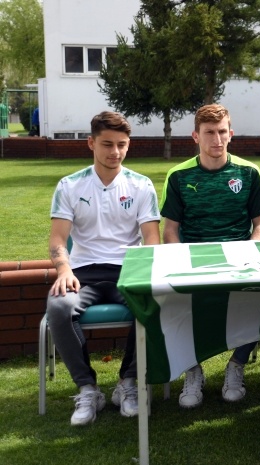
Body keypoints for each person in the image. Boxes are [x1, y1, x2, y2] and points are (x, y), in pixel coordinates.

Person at [46, 111, 161, 425]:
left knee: (155, 302)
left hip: (128, 270)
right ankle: (88, 388)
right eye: (107, 144)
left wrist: (146, 271)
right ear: (91, 143)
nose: (115, 152)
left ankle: (128, 382)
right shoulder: (70, 185)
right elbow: (58, 239)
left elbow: (152, 238)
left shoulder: (141, 184)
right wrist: (64, 270)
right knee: (59, 307)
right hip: (82, 272)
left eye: (122, 145)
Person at [160, 104, 260, 407]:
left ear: (231, 134)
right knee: (172, 304)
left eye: (222, 132)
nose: (217, 139)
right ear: (196, 136)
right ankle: (192, 369)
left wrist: (249, 251)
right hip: (194, 261)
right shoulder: (178, 175)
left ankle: (237, 365)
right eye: (209, 132)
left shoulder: (249, 172)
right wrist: (180, 262)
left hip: (239, 258)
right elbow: (170, 230)